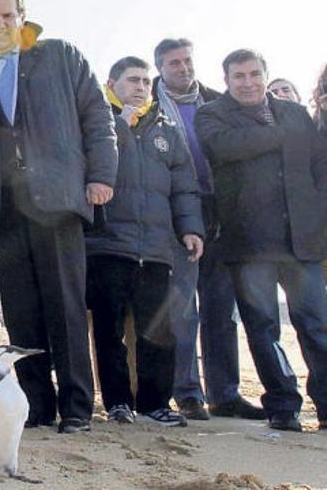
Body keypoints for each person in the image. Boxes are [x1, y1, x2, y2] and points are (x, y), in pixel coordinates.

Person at [0, 0, 118, 434]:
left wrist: (101, 175)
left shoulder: (60, 56)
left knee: (66, 307)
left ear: (23, 17)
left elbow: (97, 116)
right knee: (21, 315)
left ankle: (76, 407)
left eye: (7, 15)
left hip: (57, 202)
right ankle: (36, 406)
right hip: (3, 210)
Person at [195, 49, 327, 432]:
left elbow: (319, 166)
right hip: (249, 244)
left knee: (317, 325)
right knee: (263, 329)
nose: (248, 82)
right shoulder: (213, 115)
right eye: (240, 76)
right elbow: (225, 148)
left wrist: (318, 216)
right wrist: (282, 134)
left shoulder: (294, 113)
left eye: (255, 74)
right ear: (227, 81)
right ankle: (283, 405)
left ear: (266, 75)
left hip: (301, 240)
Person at [87, 56, 204, 428]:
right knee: (109, 332)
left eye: (145, 82)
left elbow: (185, 186)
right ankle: (117, 402)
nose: (141, 87)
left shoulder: (167, 129)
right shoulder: (98, 123)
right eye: (132, 80)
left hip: (156, 249)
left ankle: (156, 403)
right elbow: (90, 168)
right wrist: (120, 126)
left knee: (158, 332)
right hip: (108, 246)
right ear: (112, 84)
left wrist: (190, 228)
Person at [153, 38, 264, 421]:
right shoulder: (149, 108)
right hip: (175, 215)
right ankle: (186, 392)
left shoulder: (219, 103)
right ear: (160, 69)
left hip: (221, 214)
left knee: (221, 308)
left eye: (186, 61)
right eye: (173, 64)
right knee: (183, 308)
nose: (183, 68)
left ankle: (225, 393)